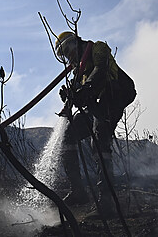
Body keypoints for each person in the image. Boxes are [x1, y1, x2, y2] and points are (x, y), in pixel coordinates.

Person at [54, 31, 136, 218]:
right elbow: (81, 96)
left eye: (67, 51)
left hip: (112, 99)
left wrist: (84, 88)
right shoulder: (78, 72)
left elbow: (100, 71)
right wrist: (70, 96)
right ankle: (78, 191)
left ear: (75, 43)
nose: (68, 56)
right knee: (68, 135)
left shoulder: (98, 48)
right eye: (64, 55)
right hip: (95, 106)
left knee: (99, 140)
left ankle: (107, 201)